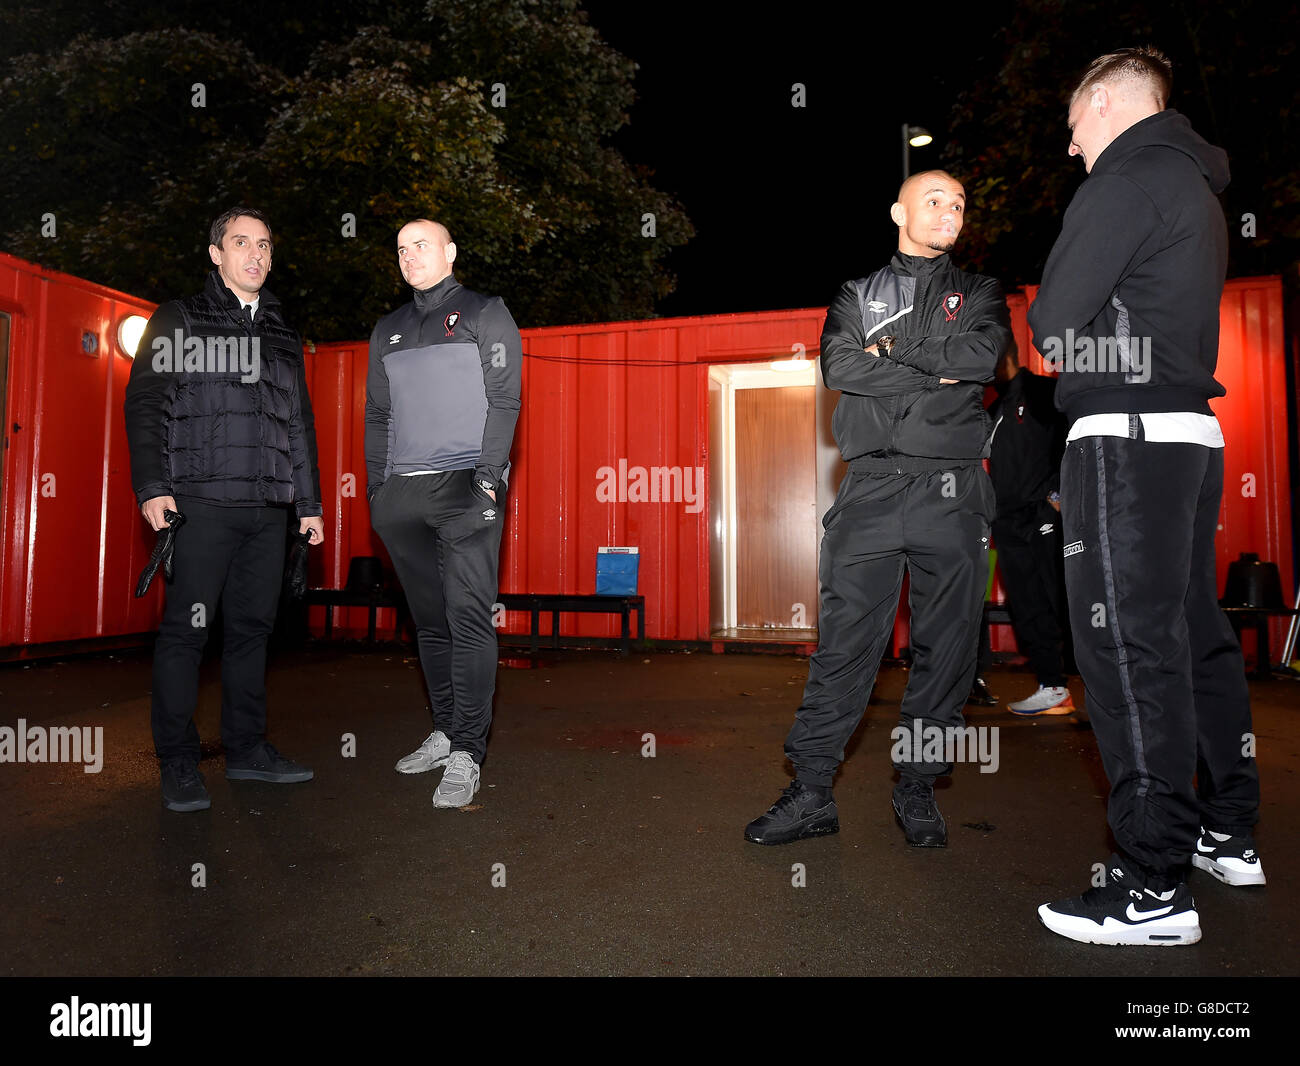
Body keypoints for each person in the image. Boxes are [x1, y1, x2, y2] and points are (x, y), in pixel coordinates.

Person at [1028, 48, 1264, 947]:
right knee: (1191, 639)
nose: (1074, 146)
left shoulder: (1126, 178)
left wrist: (1075, 363)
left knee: (1128, 655)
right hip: (1187, 438)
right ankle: (1225, 830)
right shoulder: (1194, 187)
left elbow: (1052, 324)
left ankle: (1152, 889)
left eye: (1075, 125)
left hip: (1127, 440)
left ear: (1109, 103)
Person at [745, 171, 1010, 848]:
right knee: (844, 647)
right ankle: (810, 793)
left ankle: (917, 789)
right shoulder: (856, 293)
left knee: (944, 650)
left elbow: (982, 357)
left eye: (959, 202)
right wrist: (933, 367)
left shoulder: (978, 292)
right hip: (868, 491)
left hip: (951, 493)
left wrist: (889, 348)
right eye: (935, 200)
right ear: (898, 211)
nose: (950, 210)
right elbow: (840, 367)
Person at [124, 207, 324, 813]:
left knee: (252, 634)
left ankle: (246, 751)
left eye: (264, 245)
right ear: (216, 254)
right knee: (187, 634)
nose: (255, 255)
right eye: (242, 243)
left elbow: (300, 426)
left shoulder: (283, 332)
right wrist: (153, 487)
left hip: (268, 509)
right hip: (201, 504)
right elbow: (145, 406)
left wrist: (308, 504)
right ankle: (179, 762)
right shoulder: (179, 318)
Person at [365, 219, 522, 808]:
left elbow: (506, 399)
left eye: (420, 245)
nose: (409, 256)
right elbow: (377, 415)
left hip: (465, 490)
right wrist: (379, 490)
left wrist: (486, 479)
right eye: (400, 248)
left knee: (468, 618)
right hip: (403, 494)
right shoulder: (389, 329)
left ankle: (467, 753)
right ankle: (447, 729)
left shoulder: (487, 312)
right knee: (429, 623)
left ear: (450, 252)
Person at [987, 338, 1073, 715]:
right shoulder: (993, 409)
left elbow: (1075, 441)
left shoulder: (1044, 391)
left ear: (1004, 355)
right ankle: (1053, 687)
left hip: (1044, 518)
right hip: (1008, 524)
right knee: (1027, 605)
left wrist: (1056, 498)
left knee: (1063, 602)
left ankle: (1111, 693)